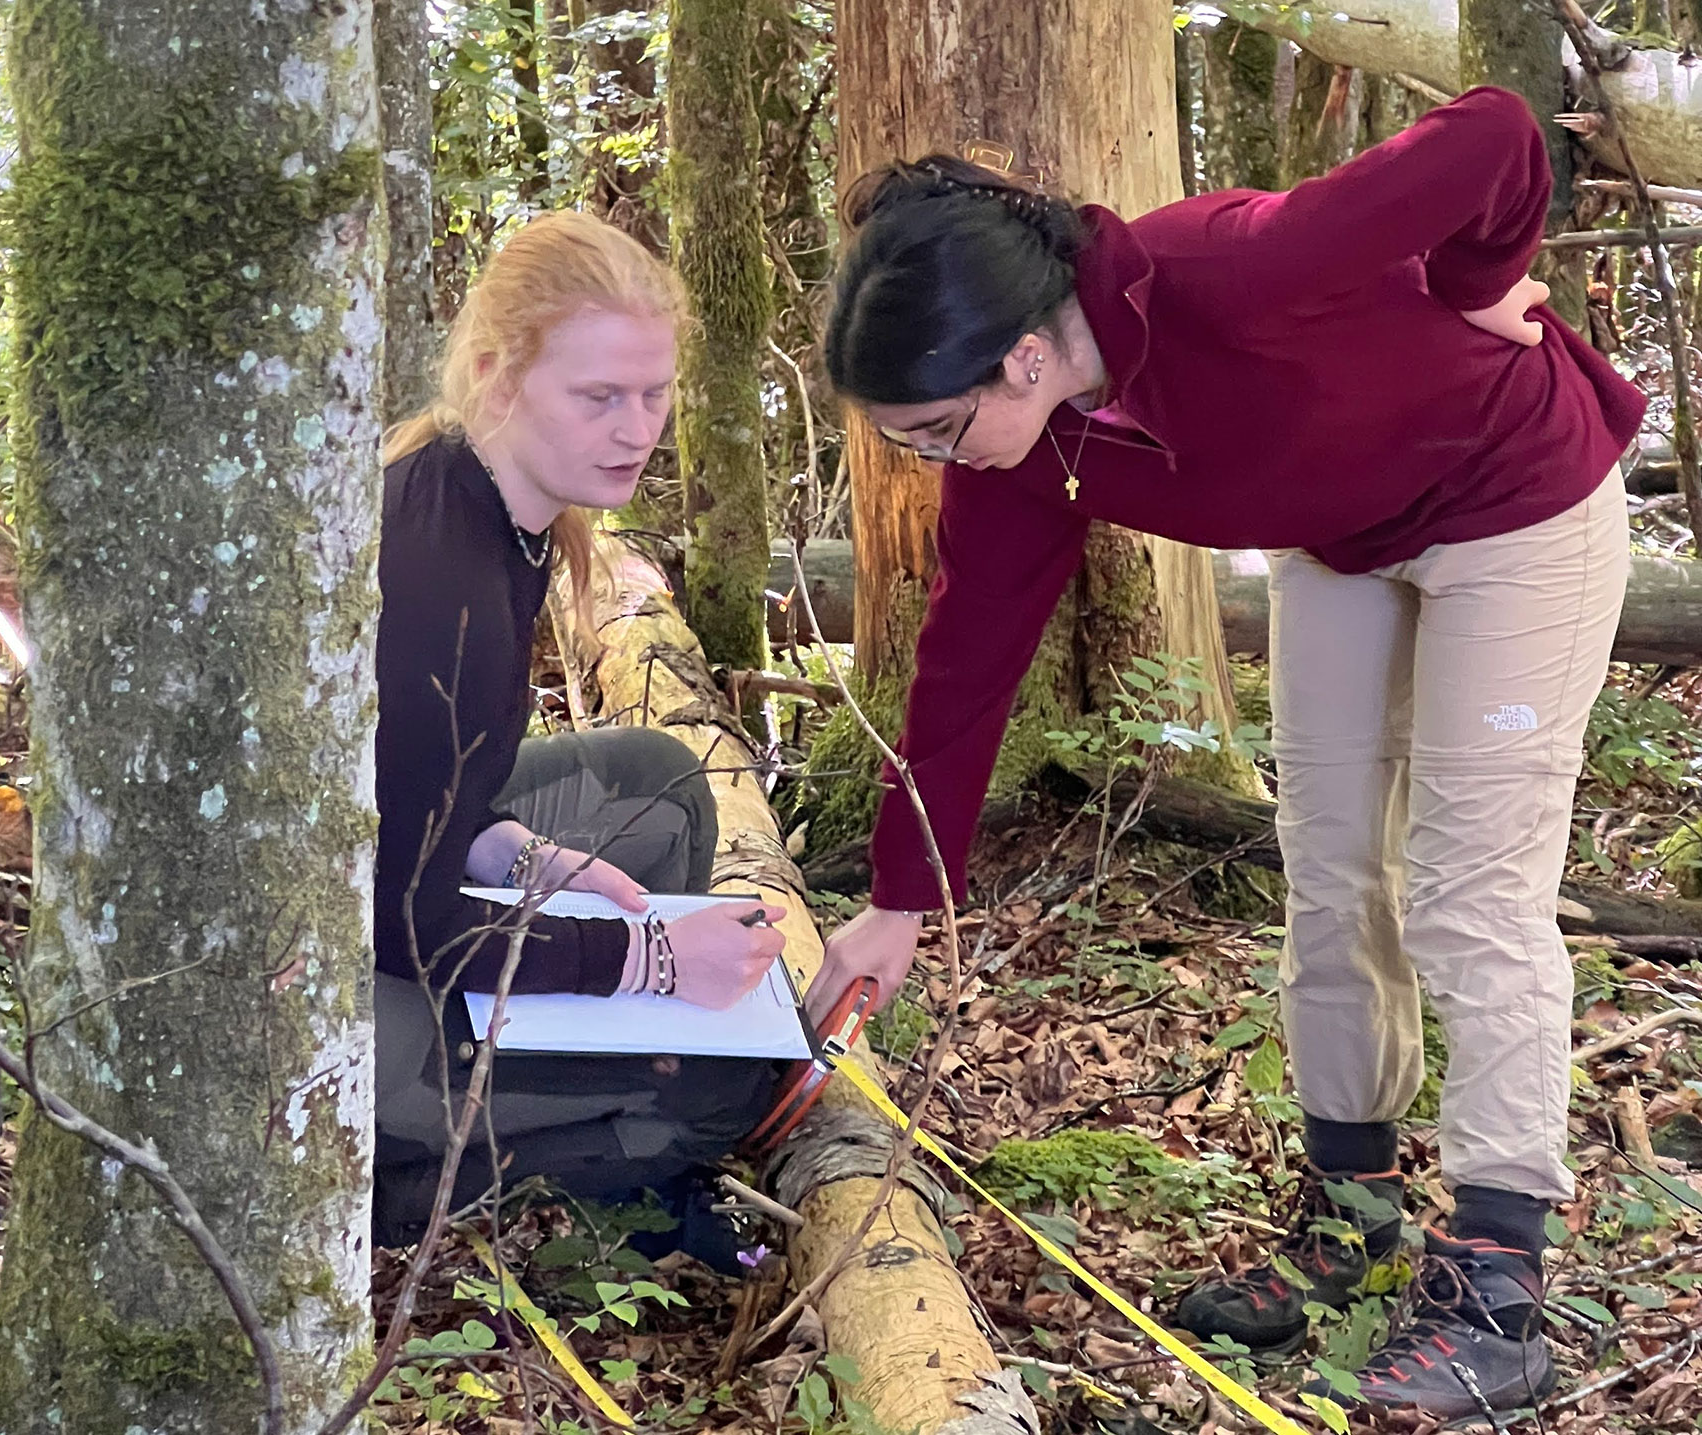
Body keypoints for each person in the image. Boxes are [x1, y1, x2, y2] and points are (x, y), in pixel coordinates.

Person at [811, 88, 1643, 1416]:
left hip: (1517, 496)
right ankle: (1353, 1212)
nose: (927, 457)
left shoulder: (1227, 271)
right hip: (1347, 537)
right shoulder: (1026, 454)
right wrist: (900, 899)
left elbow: (1490, 135)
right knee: (1328, 871)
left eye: (934, 427)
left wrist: (1485, 281)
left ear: (1022, 356)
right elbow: (966, 659)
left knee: (1469, 891)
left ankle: (1497, 1282)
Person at [372, 210, 785, 1250]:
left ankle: (584, 1105)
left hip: (393, 900)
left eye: (654, 393)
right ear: (495, 375)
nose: (638, 427)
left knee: (657, 778)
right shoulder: (432, 573)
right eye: (600, 397)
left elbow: (421, 796)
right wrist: (643, 961)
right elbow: (399, 916)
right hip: (331, 997)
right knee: (726, 1084)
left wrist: (519, 848)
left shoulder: (511, 511)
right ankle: (391, 1193)